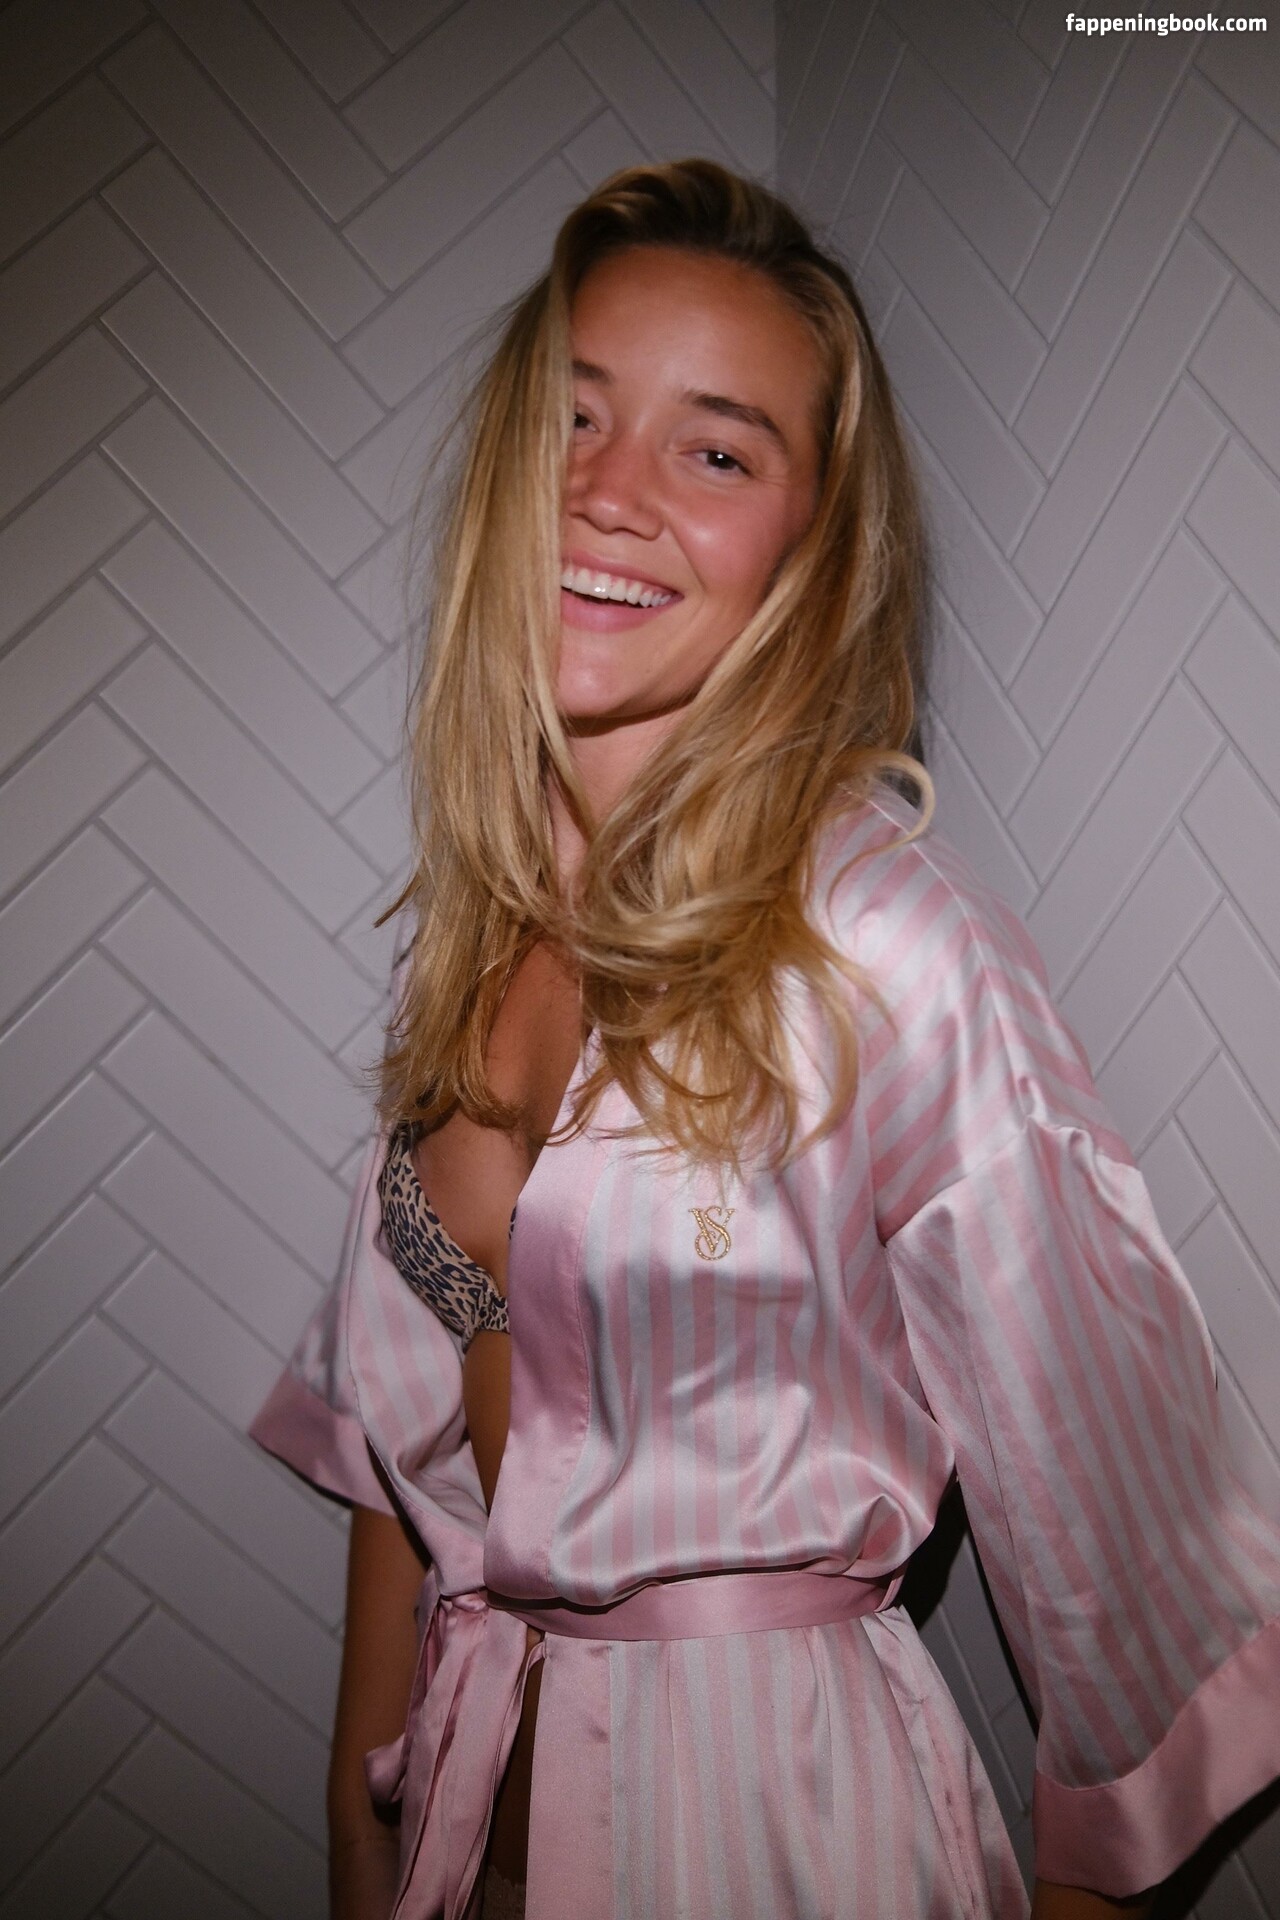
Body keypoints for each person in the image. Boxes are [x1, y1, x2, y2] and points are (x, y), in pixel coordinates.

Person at [250, 160, 1280, 1920]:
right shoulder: (469, 927)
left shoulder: (888, 952)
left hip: (775, 1828)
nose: (609, 492)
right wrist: (360, 1829)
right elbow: (396, 1422)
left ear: (817, 542)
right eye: (573, 418)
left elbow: (1129, 1564)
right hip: (467, 1814)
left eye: (716, 452)